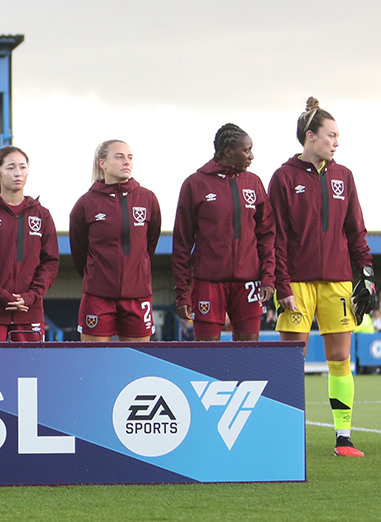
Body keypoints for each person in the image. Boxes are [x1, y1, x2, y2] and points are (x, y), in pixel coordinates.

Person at [269, 97, 374, 457]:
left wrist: (366, 276)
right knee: (290, 359)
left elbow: (356, 231)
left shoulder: (344, 175)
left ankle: (343, 438)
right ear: (310, 137)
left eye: (338, 136)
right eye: (331, 135)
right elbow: (275, 237)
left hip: (337, 282)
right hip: (295, 283)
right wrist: (281, 284)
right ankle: (283, 435)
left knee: (340, 357)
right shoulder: (283, 177)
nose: (336, 142)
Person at [172, 124, 274, 342]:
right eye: (246, 150)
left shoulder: (254, 183)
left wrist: (267, 277)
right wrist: (182, 294)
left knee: (248, 357)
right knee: (207, 359)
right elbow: (182, 244)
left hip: (249, 283)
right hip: (208, 284)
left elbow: (266, 234)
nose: (252, 156)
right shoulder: (195, 184)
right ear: (228, 152)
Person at [69, 139, 161, 342]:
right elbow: (78, 250)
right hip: (97, 296)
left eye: (129, 157)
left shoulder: (147, 198)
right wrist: (97, 276)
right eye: (119, 157)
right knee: (95, 364)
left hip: (138, 296)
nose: (126, 162)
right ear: (102, 163)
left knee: (137, 365)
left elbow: (150, 244)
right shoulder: (86, 203)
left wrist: (136, 270)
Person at [0, 147, 59, 342]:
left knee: (29, 371)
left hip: (30, 311)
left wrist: (30, 296)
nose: (18, 173)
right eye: (10, 167)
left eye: (22, 167)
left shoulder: (42, 215)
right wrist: (2, 296)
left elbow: (50, 263)